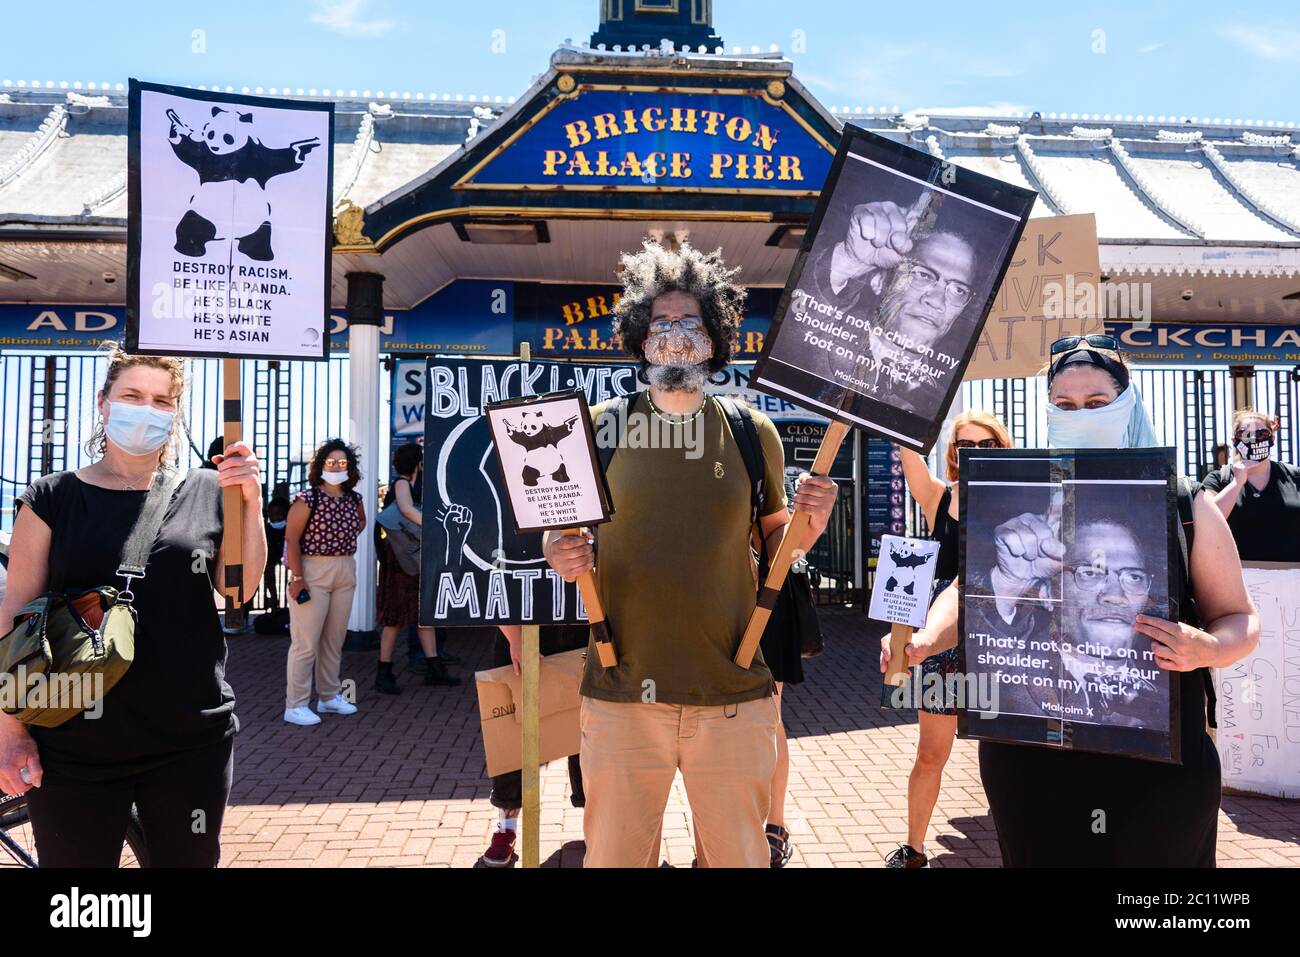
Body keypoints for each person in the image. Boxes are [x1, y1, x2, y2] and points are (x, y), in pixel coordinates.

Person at [881, 334, 1259, 866]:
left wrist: (1207, 649)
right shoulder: (1022, 494)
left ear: (1127, 403)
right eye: (1064, 405)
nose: (1079, 414)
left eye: (1097, 404)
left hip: (1156, 766)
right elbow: (970, 588)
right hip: (1034, 762)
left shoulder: (1184, 500)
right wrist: (923, 641)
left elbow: (1240, 618)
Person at [544, 240, 839, 868]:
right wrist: (558, 552)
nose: (676, 337)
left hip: (734, 693)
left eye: (691, 324)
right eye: (661, 324)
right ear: (640, 339)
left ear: (714, 339)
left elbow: (781, 546)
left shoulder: (750, 431)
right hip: (621, 694)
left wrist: (814, 517)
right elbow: (561, 533)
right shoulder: (599, 426)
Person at [0, 344, 265, 867]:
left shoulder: (209, 489)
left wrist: (249, 502)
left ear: (176, 413)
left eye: (162, 401)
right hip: (72, 739)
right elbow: (14, 621)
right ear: (103, 404)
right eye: (132, 395)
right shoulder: (51, 497)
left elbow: (239, 591)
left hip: (190, 738)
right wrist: (10, 731)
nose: (147, 409)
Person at [885, 409, 1011, 869]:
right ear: (954, 453)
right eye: (966, 446)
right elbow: (909, 456)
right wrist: (901, 407)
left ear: (1002, 447)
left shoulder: (1022, 498)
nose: (976, 454)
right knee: (931, 753)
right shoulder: (940, 498)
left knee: (1009, 756)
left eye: (987, 445)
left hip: (1004, 637)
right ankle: (914, 848)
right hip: (942, 642)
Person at [781, 195, 979, 418]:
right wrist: (849, 260)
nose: (937, 301)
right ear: (879, 281)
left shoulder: (934, 405)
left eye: (958, 290)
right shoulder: (816, 346)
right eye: (923, 275)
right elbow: (791, 335)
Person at [478, 623, 588, 868]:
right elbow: (497, 587)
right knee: (511, 731)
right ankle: (506, 827)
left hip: (580, 622)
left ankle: (594, 822)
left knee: (587, 725)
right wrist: (515, 639)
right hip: (522, 626)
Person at [283, 439, 366, 726]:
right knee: (306, 642)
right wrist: (297, 577)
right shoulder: (308, 499)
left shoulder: (354, 499)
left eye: (342, 462)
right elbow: (291, 538)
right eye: (331, 461)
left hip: (344, 568)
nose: (336, 466)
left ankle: (329, 696)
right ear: (320, 465)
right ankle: (295, 704)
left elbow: (360, 525)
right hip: (312, 569)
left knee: (334, 639)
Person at [375, 442, 459, 693]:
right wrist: (436, 527)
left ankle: (432, 667)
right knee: (396, 618)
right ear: (418, 463)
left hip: (406, 558)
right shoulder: (402, 483)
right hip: (402, 561)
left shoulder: (406, 483)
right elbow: (406, 509)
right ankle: (384, 672)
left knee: (422, 614)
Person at [1199, 409, 1300, 562]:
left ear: (1272, 438)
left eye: (1261, 434)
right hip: (1235, 578)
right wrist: (1237, 483)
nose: (1254, 440)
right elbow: (1206, 522)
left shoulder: (1295, 476)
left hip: (1291, 576)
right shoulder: (1220, 479)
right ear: (1235, 441)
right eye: (1245, 434)